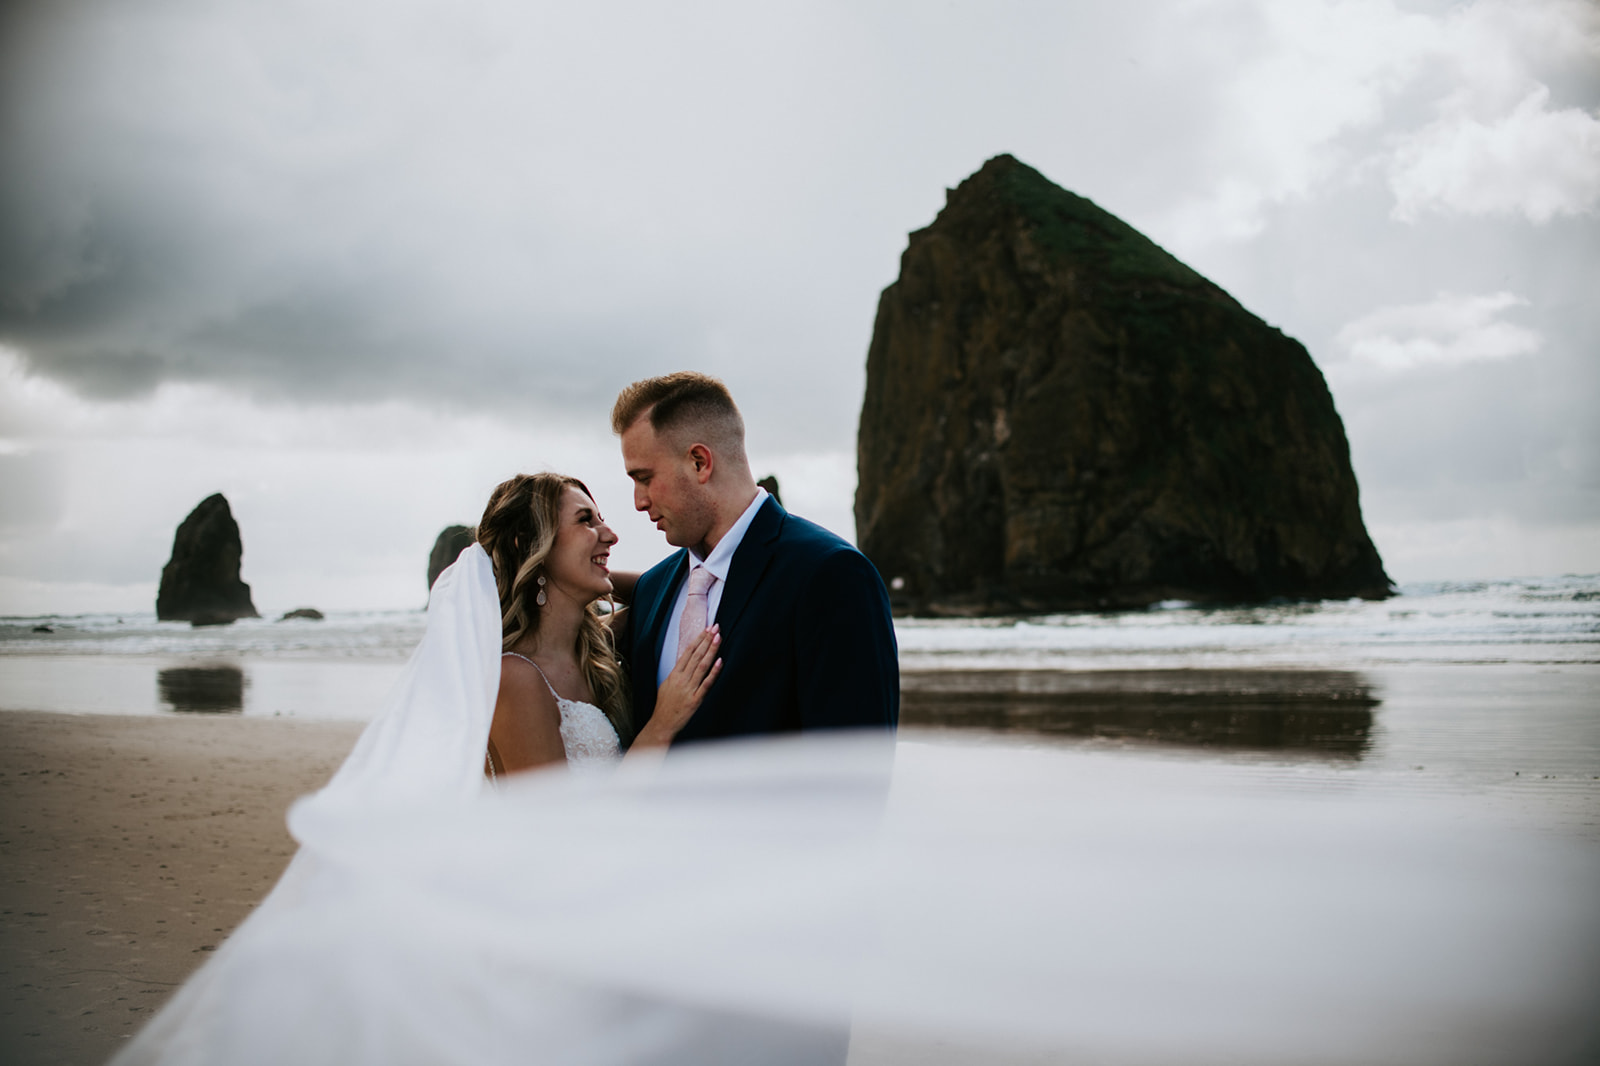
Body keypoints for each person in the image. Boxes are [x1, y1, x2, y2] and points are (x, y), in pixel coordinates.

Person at [612, 372, 899, 743]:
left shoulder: (831, 575)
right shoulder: (652, 589)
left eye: (645, 477)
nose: (638, 501)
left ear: (700, 462)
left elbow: (855, 768)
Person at [470, 472, 720, 776]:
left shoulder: (597, 648)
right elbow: (562, 821)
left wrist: (572, 571)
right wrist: (663, 722)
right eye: (586, 520)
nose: (611, 535)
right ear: (531, 545)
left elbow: (663, 591)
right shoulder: (512, 677)